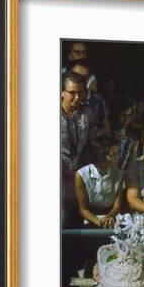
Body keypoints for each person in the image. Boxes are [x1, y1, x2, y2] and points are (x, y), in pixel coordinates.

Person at [61, 72, 91, 228]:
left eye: (80, 93)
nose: (77, 97)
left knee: (77, 220)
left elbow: (88, 145)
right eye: (72, 93)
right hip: (58, 176)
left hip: (78, 175)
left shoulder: (86, 114)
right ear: (62, 92)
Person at [75, 135, 124, 228]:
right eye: (113, 154)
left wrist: (109, 217)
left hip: (111, 218)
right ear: (101, 156)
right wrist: (99, 221)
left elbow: (117, 205)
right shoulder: (81, 175)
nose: (118, 157)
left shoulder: (119, 174)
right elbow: (83, 209)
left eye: (118, 153)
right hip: (89, 220)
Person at [69, 59, 110, 135]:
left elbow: (106, 129)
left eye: (85, 77)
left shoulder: (97, 99)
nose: (81, 81)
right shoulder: (62, 97)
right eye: (76, 76)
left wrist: (93, 133)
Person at [110, 101, 139, 171]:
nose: (126, 119)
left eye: (129, 115)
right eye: (123, 115)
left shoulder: (133, 140)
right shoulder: (109, 135)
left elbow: (132, 164)